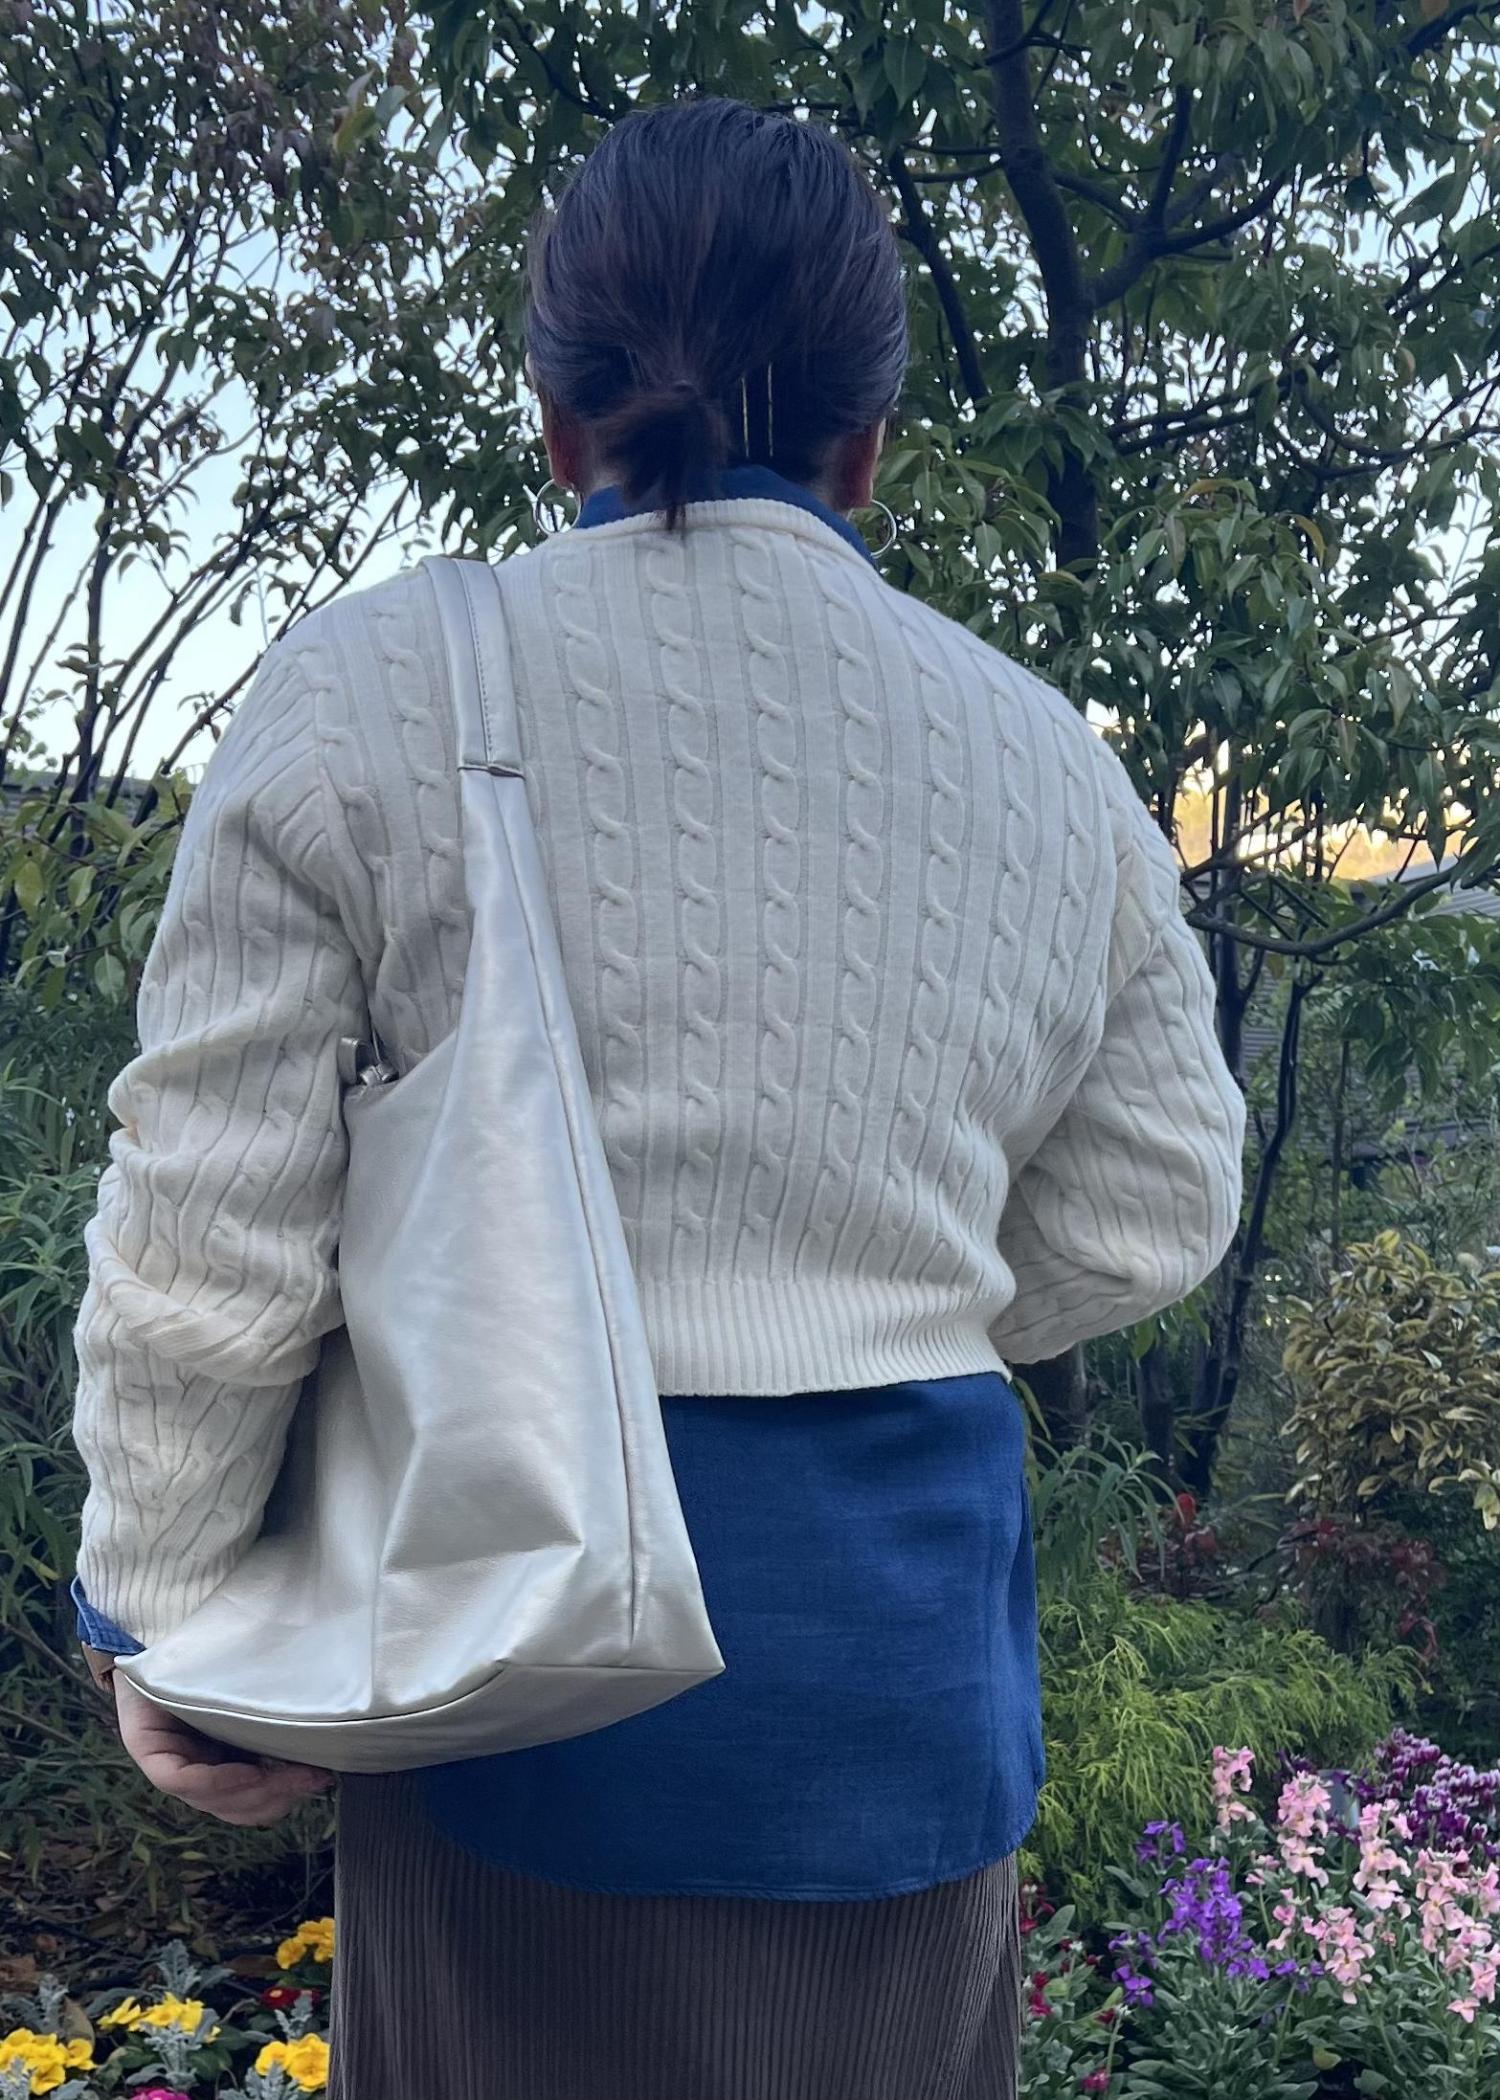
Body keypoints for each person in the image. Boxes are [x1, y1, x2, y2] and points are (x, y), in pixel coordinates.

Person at [68, 96, 1245, 2100]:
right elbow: (1155, 1202)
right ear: (870, 446)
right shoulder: (1045, 760)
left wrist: (164, 1613)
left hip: (497, 1659)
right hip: (899, 1695)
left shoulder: (370, 696)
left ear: (559, 421)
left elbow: (211, 1225)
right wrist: (890, 1288)